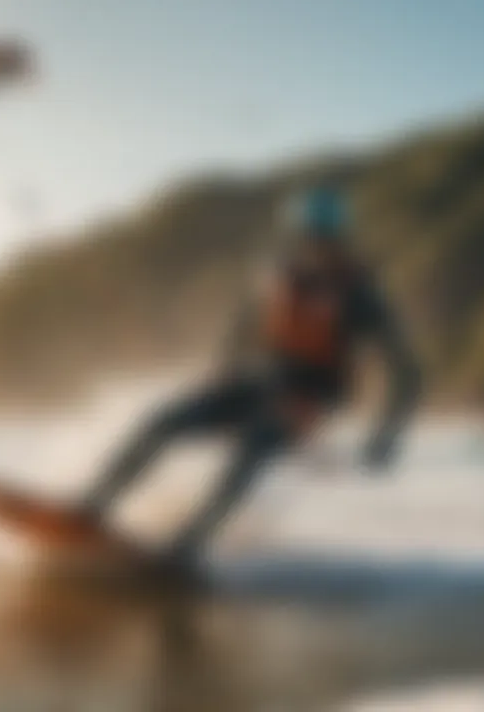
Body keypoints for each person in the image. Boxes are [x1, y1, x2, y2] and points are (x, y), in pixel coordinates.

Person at [77, 185, 421, 568]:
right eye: (307, 236)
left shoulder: (359, 293)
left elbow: (408, 372)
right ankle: (89, 508)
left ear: (339, 237)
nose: (314, 245)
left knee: (252, 447)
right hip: (256, 382)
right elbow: (241, 332)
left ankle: (186, 546)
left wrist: (386, 436)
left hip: (310, 398)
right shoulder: (278, 275)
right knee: (162, 421)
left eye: (322, 237)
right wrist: (220, 372)